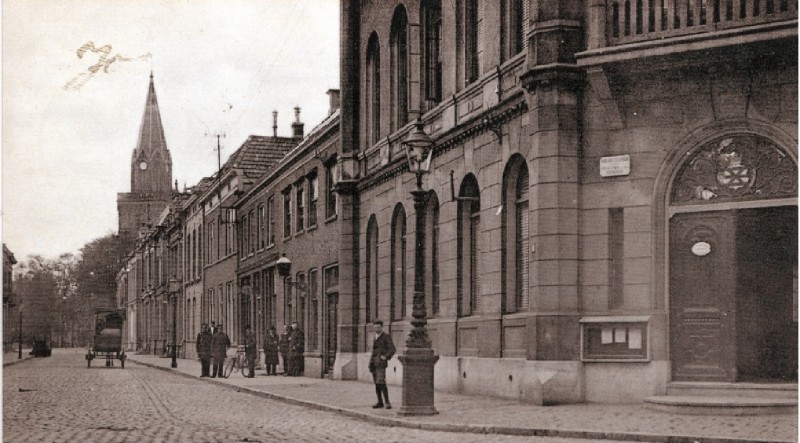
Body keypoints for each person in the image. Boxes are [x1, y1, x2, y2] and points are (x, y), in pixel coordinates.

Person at [369, 319, 395, 409]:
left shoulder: (386, 337)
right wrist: (370, 363)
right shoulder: (374, 337)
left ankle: (387, 402)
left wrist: (385, 356)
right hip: (373, 364)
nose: (377, 329)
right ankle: (380, 402)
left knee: (381, 382)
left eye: (378, 327)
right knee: (377, 383)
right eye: (375, 327)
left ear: (382, 327)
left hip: (381, 364)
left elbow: (392, 349)